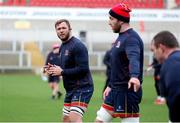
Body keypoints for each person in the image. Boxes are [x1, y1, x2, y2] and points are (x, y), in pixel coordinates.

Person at [95, 3, 144, 123]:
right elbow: (118, 66)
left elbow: (134, 58)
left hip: (127, 91)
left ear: (121, 21)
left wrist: (134, 77)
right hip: (115, 90)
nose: (109, 22)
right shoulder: (121, 37)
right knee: (100, 121)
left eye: (111, 19)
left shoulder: (131, 38)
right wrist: (110, 85)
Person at [44, 19, 94, 122]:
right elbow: (66, 67)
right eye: (58, 29)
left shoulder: (78, 45)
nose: (61, 31)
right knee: (66, 119)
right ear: (56, 31)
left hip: (82, 87)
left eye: (63, 28)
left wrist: (62, 72)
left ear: (70, 29)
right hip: (70, 89)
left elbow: (83, 69)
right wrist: (53, 69)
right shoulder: (62, 46)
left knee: (74, 117)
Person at [151, 30, 180, 122]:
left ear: (161, 48)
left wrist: (174, 119)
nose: (154, 54)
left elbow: (177, 95)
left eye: (153, 50)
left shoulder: (171, 63)